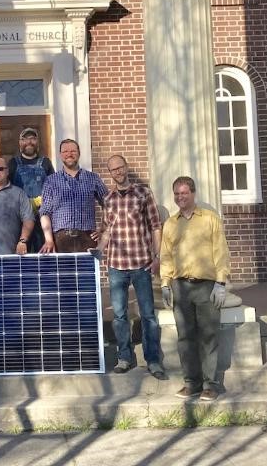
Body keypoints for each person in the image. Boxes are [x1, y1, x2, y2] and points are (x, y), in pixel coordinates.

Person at [91, 155, 165, 378]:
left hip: (141, 263)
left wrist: (157, 256)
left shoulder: (143, 193)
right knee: (120, 316)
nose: (118, 172)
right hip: (116, 265)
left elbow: (155, 226)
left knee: (148, 315)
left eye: (120, 167)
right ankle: (124, 357)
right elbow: (107, 230)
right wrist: (99, 249)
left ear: (126, 167)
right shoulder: (109, 199)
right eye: (113, 170)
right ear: (110, 173)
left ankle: (153, 360)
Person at [160, 176, 230, 401]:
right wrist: (165, 283)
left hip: (206, 286)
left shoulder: (210, 219)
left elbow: (221, 251)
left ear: (193, 193)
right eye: (177, 194)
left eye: (184, 193)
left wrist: (221, 283)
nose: (180, 197)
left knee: (208, 335)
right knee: (185, 337)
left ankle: (210, 384)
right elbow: (166, 257)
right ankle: (192, 383)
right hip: (181, 286)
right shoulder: (171, 224)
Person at [39, 139, 108, 253]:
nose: (69, 154)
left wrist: (103, 229)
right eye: (65, 151)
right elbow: (45, 212)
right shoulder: (51, 181)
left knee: (88, 271)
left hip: (87, 238)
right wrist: (49, 240)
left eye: (73, 151)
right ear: (60, 155)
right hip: (60, 240)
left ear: (79, 153)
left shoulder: (93, 178)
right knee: (63, 271)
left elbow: (109, 204)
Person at [8, 127, 55, 252]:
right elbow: (7, 189)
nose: (29, 142)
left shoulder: (45, 162)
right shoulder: (13, 163)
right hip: (20, 218)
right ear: (20, 143)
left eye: (33, 139)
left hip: (42, 218)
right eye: (25, 139)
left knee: (43, 253)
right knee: (21, 254)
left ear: (38, 142)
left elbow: (54, 188)